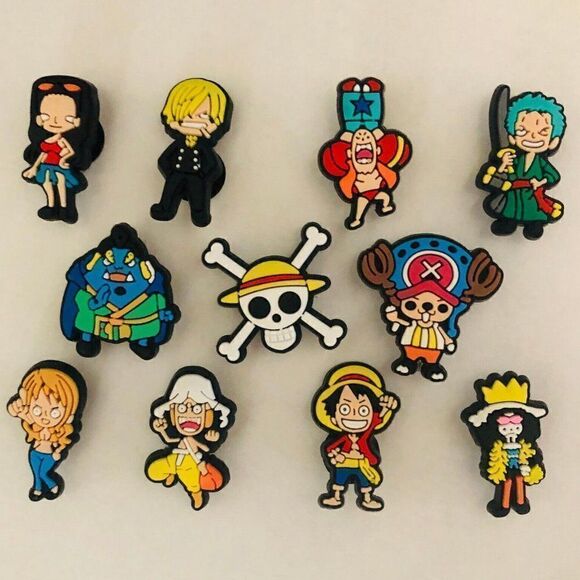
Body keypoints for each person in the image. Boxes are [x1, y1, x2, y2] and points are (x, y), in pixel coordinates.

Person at [145, 367, 236, 510]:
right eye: (182, 409)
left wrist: (213, 439)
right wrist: (161, 430)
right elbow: (169, 441)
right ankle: (170, 474)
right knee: (153, 470)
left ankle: (196, 494)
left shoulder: (197, 439)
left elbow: (206, 448)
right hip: (174, 459)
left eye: (197, 409)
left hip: (191, 463)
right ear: (173, 414)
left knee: (192, 483)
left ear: (208, 416)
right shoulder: (178, 436)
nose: (189, 414)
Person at [312, 363, 399, 511]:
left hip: (362, 463)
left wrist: (389, 405)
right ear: (333, 418)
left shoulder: (367, 433)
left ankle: (367, 498)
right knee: (339, 480)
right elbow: (330, 448)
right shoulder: (340, 438)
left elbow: (380, 417)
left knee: (365, 482)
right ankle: (336, 496)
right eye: (345, 409)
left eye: (363, 410)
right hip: (344, 463)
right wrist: (335, 456)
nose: (354, 415)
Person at [21, 75, 104, 223]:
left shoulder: (63, 141)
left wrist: (64, 159)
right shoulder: (45, 141)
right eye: (46, 116)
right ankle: (51, 206)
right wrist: (33, 168)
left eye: (67, 118)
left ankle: (65, 208)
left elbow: (70, 151)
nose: (54, 121)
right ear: (38, 118)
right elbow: (42, 154)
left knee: (61, 183)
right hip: (47, 166)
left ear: (78, 120)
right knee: (47, 183)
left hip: (60, 166)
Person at [151, 78, 233, 226]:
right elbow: (163, 160)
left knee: (198, 197)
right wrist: (171, 175)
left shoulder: (202, 145)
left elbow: (214, 165)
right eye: (188, 115)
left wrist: (205, 178)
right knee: (170, 191)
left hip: (197, 177)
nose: (196, 121)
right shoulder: (180, 142)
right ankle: (165, 208)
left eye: (205, 116)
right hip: (177, 175)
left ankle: (200, 213)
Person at [7, 362, 86, 501]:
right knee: (36, 472)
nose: (44, 417)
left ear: (70, 411)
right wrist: (14, 408)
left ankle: (53, 486)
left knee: (43, 473)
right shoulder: (34, 425)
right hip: (35, 452)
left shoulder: (61, 431)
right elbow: (17, 411)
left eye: (54, 412)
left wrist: (58, 451)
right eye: (37, 410)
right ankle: (37, 489)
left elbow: (68, 439)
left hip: (50, 454)